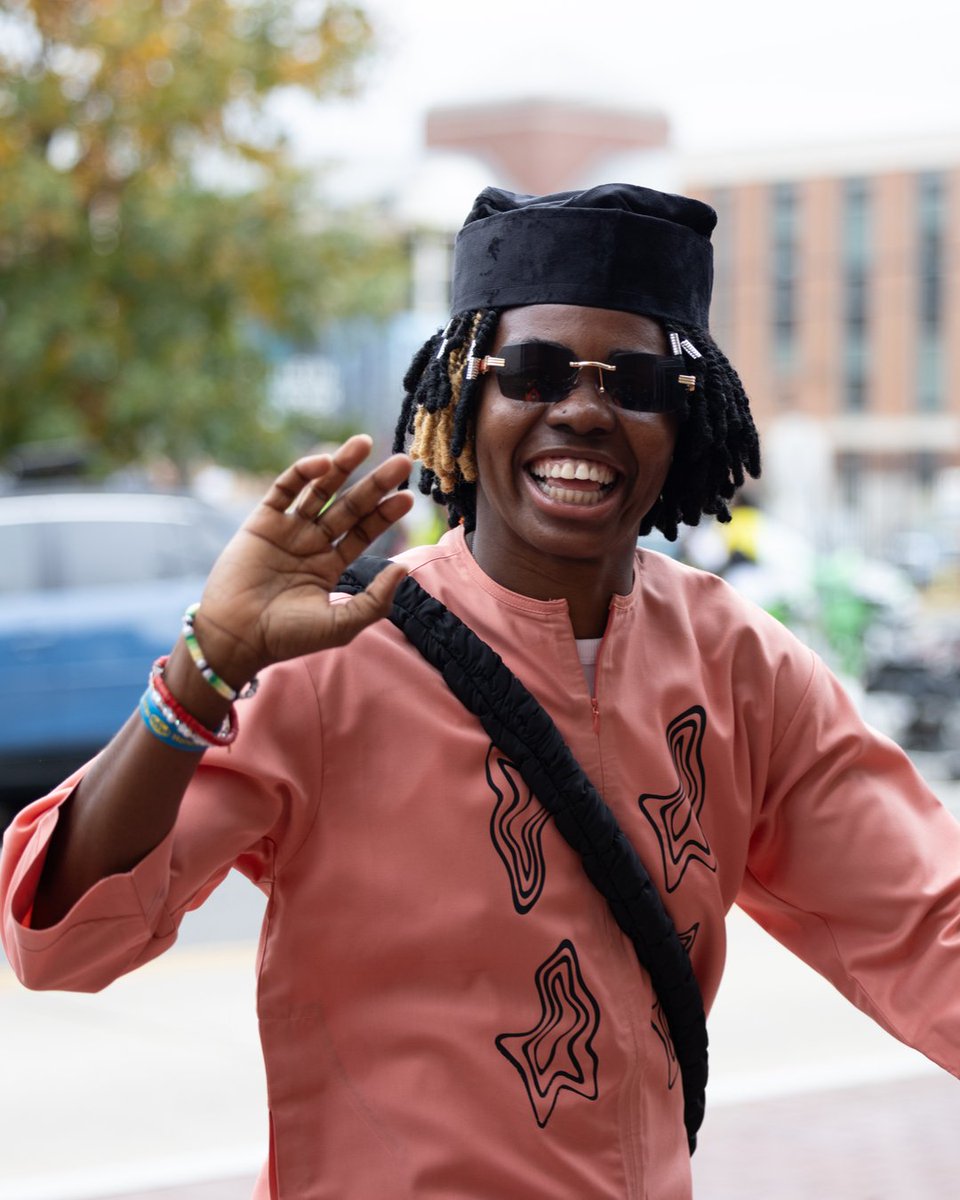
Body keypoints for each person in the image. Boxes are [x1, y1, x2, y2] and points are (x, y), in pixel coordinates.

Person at [3, 184, 960, 1200]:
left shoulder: (742, 666)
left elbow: (926, 925)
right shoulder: (333, 658)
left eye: (633, 382)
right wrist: (208, 668)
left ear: (684, 418)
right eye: (536, 371)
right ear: (466, 395)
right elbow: (58, 939)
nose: (584, 411)